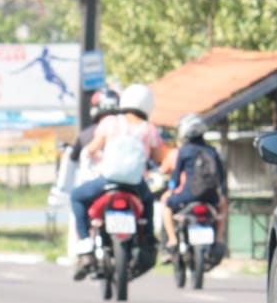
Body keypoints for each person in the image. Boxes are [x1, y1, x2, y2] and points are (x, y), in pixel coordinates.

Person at [68, 83, 169, 281]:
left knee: (77, 197)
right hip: (135, 185)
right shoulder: (149, 129)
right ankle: (147, 239)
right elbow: (160, 158)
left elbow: (92, 149)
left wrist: (88, 154)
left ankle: (85, 245)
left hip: (106, 181)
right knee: (148, 202)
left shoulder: (110, 122)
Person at [159, 112, 227, 258]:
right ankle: (219, 239)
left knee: (166, 204)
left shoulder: (184, 152)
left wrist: (171, 189)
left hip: (187, 194)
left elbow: (175, 178)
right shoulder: (212, 151)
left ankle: (172, 240)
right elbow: (221, 178)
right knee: (223, 204)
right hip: (210, 196)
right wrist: (219, 193)